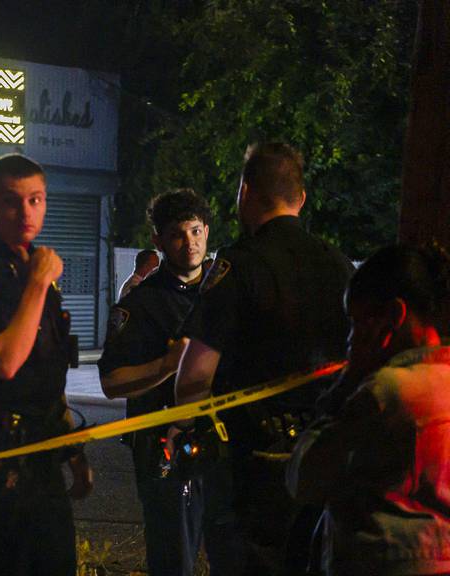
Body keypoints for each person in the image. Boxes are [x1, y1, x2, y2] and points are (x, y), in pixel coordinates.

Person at [173, 142, 355, 574]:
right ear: (302, 198)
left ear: (245, 192)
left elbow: (194, 378)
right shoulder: (339, 266)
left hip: (251, 471)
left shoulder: (238, 266)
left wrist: (182, 431)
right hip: (322, 462)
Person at [0, 153, 93, 575]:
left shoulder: (28, 266)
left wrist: (73, 451)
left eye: (36, 200)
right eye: (12, 201)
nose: (26, 212)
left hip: (40, 453)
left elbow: (46, 376)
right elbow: (7, 363)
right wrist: (39, 283)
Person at [287, 244, 450, 576]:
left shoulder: (386, 393)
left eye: (357, 322)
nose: (350, 339)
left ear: (393, 317)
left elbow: (306, 478)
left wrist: (345, 385)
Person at [99, 189, 213, 576]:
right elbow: (112, 382)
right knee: (173, 558)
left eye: (196, 231)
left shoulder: (225, 293)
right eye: (178, 234)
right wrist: (166, 365)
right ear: (158, 240)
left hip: (223, 442)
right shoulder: (140, 305)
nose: (190, 243)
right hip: (164, 446)